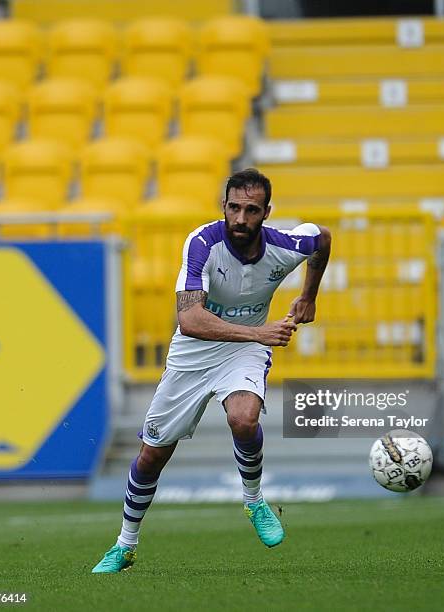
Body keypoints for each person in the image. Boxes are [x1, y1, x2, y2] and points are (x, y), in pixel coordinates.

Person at [92, 168, 331, 573]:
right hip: (194, 353)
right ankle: (125, 544)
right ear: (223, 206)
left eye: (251, 210)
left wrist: (309, 296)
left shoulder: (286, 245)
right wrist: (258, 331)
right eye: (234, 208)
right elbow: (190, 320)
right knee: (152, 455)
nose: (240, 219)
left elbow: (322, 239)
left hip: (245, 351)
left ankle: (254, 501)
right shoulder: (202, 243)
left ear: (266, 213)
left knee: (243, 418)